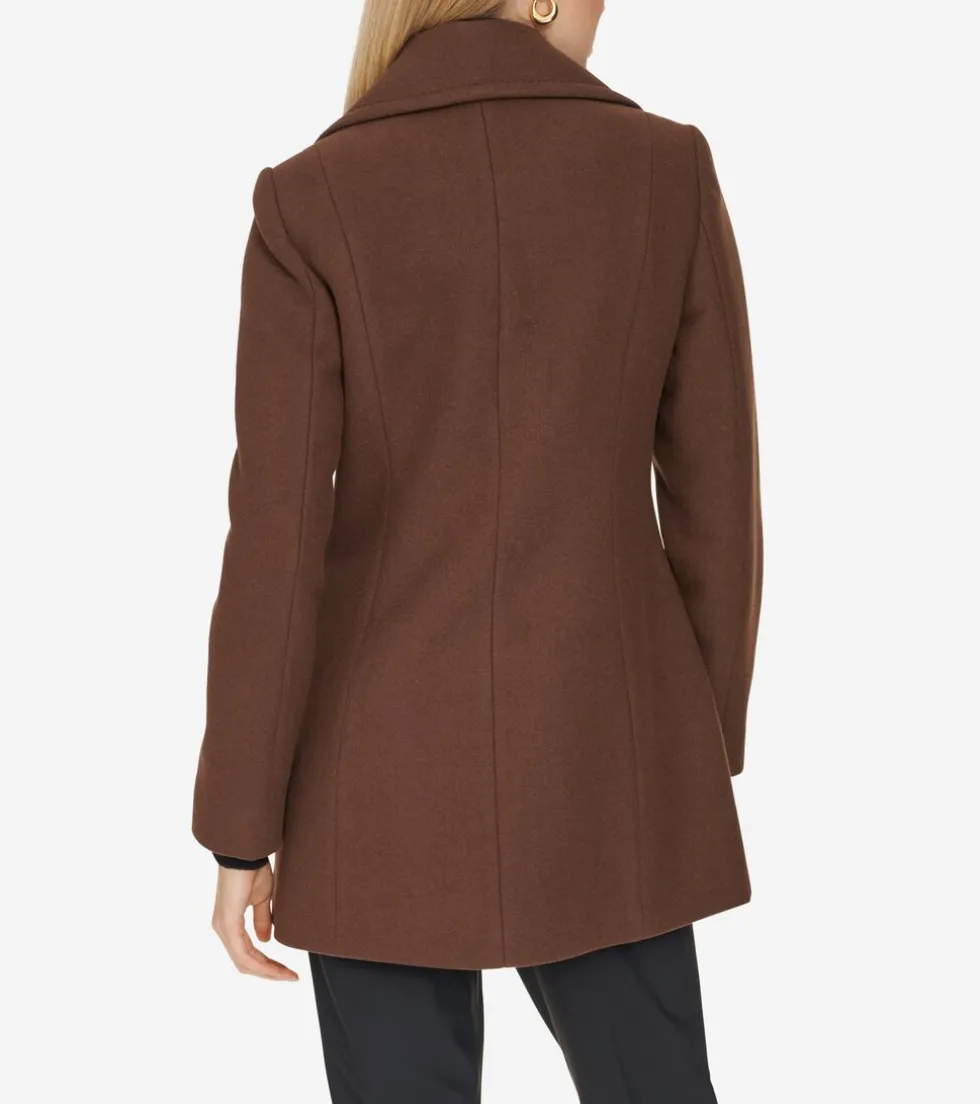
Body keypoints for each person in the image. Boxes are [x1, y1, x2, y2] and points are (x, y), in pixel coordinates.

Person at [192, 0, 763, 1099]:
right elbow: (716, 500)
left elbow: (273, 540)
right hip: (608, 756)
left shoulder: (313, 196)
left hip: (371, 779)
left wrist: (239, 831)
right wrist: (692, 747)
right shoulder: (663, 169)